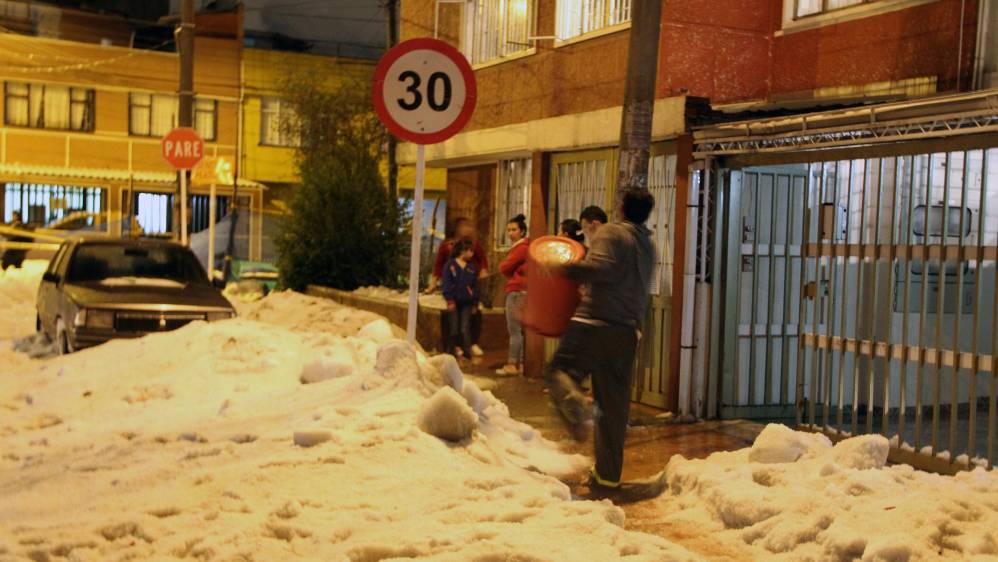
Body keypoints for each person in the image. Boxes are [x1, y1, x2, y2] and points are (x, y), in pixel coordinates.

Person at [542, 190, 656, 497]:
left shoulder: (612, 232)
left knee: (558, 372)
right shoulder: (648, 244)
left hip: (593, 324)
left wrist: (563, 267)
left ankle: (577, 407)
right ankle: (607, 479)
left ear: (620, 207)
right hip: (626, 333)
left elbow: (601, 269)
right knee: (613, 409)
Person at [428, 217, 489, 357]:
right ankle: (454, 346)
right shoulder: (447, 247)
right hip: (454, 292)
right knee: (453, 323)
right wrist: (434, 282)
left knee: (470, 320)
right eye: (465, 226)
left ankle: (471, 344)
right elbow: (438, 265)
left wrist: (483, 271)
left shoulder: (474, 246)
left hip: (468, 292)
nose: (469, 229)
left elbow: (482, 259)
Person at [496, 214, 529, 376]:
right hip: (525, 291)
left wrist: (502, 264)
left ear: (522, 231)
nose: (510, 233)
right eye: (508, 230)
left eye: (514, 230)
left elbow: (504, 268)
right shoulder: (525, 247)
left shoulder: (520, 248)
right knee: (521, 330)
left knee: (514, 330)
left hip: (516, 291)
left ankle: (512, 364)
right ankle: (522, 363)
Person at [441, 239, 480, 364]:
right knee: (453, 328)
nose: (472, 254)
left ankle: (467, 353)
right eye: (470, 251)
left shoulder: (471, 268)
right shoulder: (450, 265)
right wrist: (449, 300)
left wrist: (474, 302)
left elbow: (475, 286)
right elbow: (446, 283)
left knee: (464, 328)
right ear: (463, 251)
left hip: (467, 302)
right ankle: (450, 353)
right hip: (454, 301)